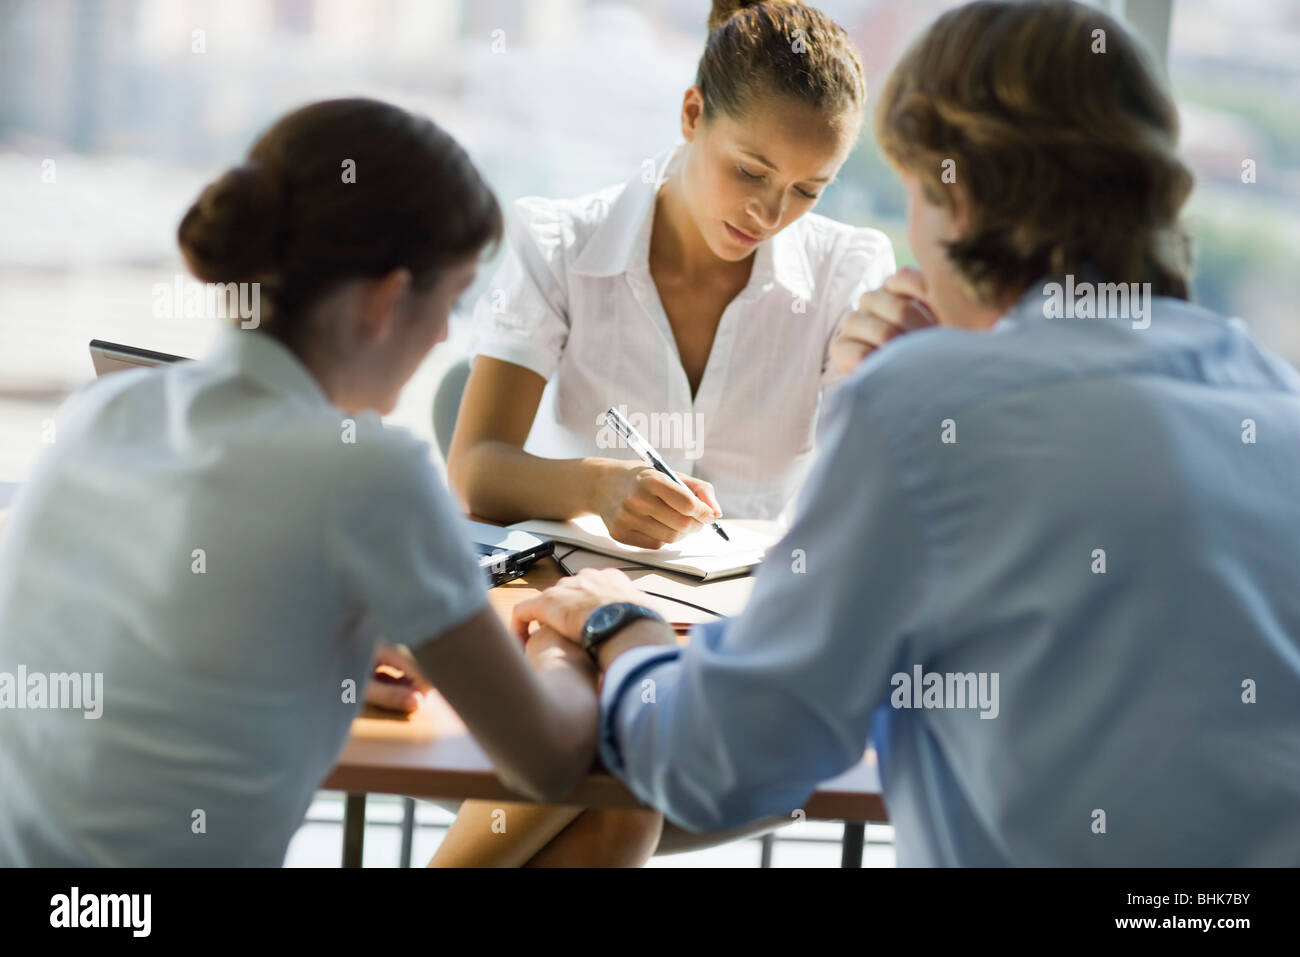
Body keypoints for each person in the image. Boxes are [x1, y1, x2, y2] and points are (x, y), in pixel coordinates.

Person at [505, 0, 1300, 866]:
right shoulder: (1273, 402)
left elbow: (720, 763)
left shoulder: (923, 404)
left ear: (954, 197)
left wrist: (617, 620)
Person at [0, 98, 605, 865]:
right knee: (605, 827)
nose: (449, 334)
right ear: (386, 301)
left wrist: (325, 646)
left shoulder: (102, 410)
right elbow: (548, 761)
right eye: (451, 302)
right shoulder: (370, 469)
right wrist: (587, 633)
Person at [432, 0, 899, 867]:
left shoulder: (848, 272)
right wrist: (595, 489)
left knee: (622, 785)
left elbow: (863, 499)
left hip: (733, 646)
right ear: (691, 115)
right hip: (567, 617)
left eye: (807, 190)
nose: (769, 211)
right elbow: (476, 470)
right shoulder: (559, 241)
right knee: (625, 793)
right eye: (751, 170)